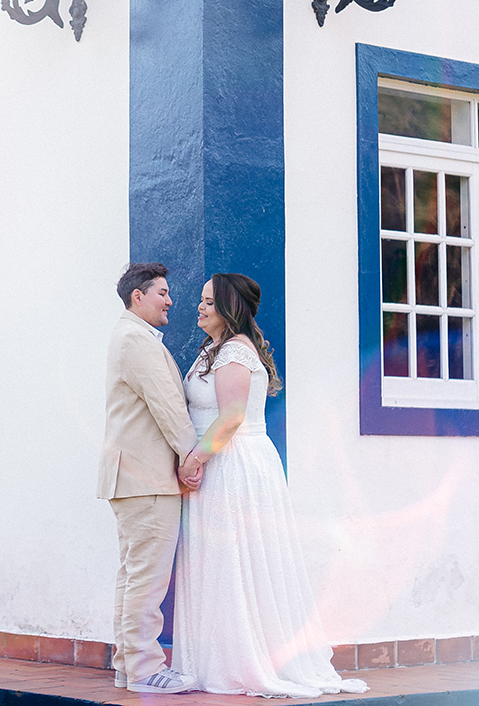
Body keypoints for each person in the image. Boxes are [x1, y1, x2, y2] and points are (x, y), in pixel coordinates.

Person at [172, 273, 368, 697]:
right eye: (201, 301)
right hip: (221, 464)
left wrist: (194, 459)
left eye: (208, 301)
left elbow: (231, 418)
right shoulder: (215, 349)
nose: (200, 307)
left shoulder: (235, 353)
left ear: (229, 308)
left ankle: (246, 660)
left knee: (236, 561)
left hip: (233, 465)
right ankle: (219, 659)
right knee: (221, 563)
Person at [98, 262, 203, 694]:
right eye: (162, 293)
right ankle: (144, 668)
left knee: (134, 574)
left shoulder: (130, 337)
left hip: (133, 479)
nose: (170, 301)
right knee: (147, 577)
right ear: (137, 296)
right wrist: (192, 455)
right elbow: (167, 406)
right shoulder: (135, 340)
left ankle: (129, 666)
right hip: (146, 479)